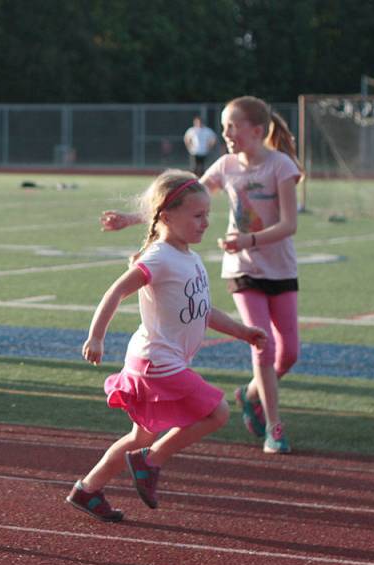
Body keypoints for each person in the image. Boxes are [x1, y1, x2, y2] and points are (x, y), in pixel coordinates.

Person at [103, 96, 301, 454]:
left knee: (289, 354)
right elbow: (181, 197)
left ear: (256, 131)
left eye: (231, 126)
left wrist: (249, 238)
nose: (224, 133)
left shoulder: (280, 165)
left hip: (281, 269)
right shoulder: (225, 165)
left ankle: (251, 393)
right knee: (265, 348)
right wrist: (132, 219)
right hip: (243, 269)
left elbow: (289, 224)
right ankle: (275, 427)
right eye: (223, 126)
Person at [68, 171, 266, 521]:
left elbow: (203, 312)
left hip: (158, 359)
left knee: (139, 437)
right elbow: (116, 291)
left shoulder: (190, 258)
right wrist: (96, 335)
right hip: (155, 362)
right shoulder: (159, 258)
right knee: (218, 411)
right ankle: (151, 461)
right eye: (197, 215)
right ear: (166, 216)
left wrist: (242, 331)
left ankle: (88, 489)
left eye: (207, 215)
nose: (205, 223)